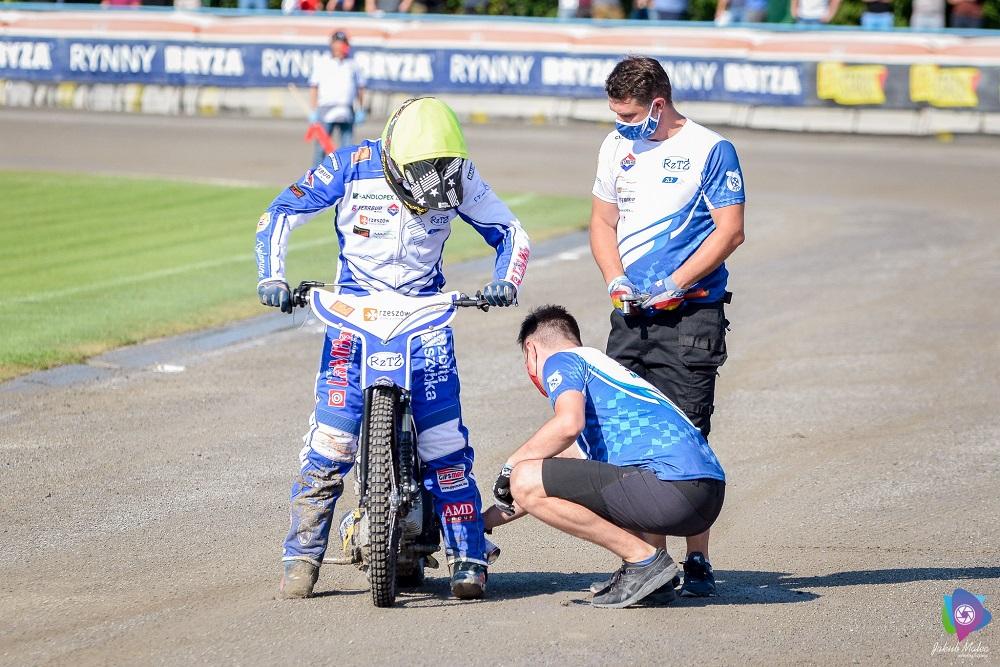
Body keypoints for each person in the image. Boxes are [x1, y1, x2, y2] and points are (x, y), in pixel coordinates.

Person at [255, 97, 531, 600]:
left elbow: (511, 232)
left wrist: (505, 280)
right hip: (353, 314)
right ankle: (301, 557)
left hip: (425, 315)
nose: (434, 185)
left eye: (443, 171)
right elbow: (281, 211)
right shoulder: (349, 164)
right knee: (331, 442)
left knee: (444, 444)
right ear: (393, 155)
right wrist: (271, 276)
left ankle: (468, 557)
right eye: (423, 172)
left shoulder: (460, 174)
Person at [588, 56, 744, 598]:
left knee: (688, 435)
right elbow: (602, 220)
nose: (621, 124)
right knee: (622, 434)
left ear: (658, 105)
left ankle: (697, 558)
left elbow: (730, 231)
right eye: (615, 114)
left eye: (629, 115)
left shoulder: (711, 149)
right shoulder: (615, 146)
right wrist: (614, 278)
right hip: (632, 316)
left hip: (690, 316)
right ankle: (645, 562)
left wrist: (677, 282)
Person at [483, 306, 726, 609]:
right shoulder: (607, 376)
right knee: (533, 477)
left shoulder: (562, 360)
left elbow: (567, 425)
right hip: (706, 497)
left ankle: (643, 561)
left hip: (672, 490)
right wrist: (482, 522)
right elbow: (543, 482)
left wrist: (510, 466)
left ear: (531, 349)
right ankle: (655, 581)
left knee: (522, 474)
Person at [308, 31, 366, 166]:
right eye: (337, 43)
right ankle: (316, 174)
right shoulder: (322, 62)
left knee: (348, 148)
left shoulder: (353, 65)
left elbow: (360, 87)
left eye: (342, 44)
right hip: (325, 109)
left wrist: (360, 109)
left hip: (346, 110)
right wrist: (313, 110)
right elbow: (314, 87)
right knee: (321, 147)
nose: (340, 47)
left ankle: (346, 175)